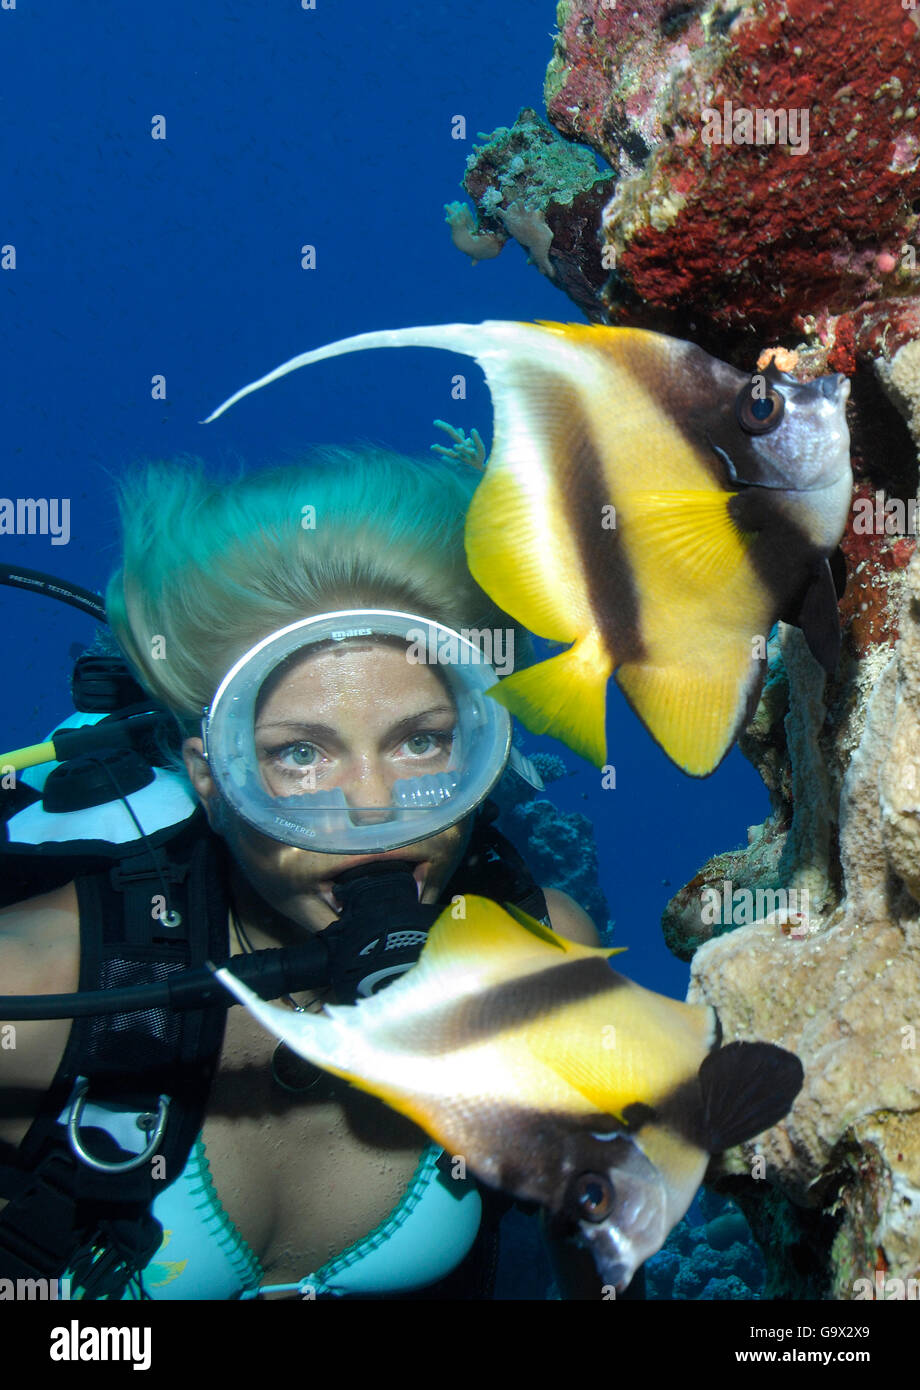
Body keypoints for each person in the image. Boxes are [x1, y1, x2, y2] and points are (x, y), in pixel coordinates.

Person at [0, 441, 600, 1300]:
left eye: (421, 740)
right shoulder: (39, 991)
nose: (374, 808)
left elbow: (598, 1246)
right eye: (301, 755)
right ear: (211, 777)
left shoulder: (539, 959)